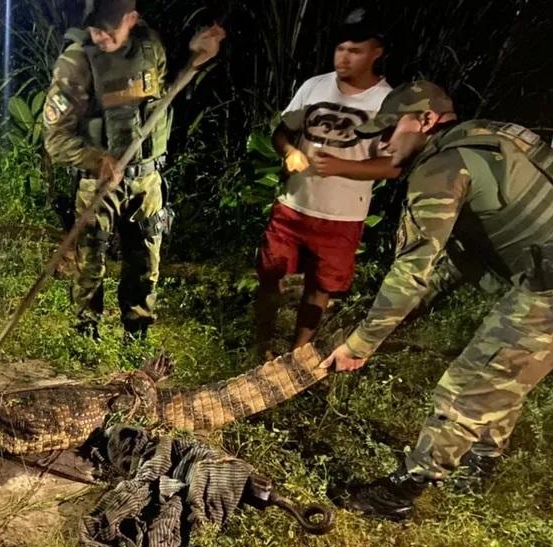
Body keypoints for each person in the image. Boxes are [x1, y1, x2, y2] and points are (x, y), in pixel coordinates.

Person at [321, 80, 553, 521]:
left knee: (469, 382)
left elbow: (411, 270)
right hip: (547, 275)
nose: (380, 142)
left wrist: (360, 344)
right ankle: (482, 461)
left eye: (390, 129)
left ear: (426, 120)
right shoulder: (487, 137)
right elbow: (453, 262)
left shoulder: (442, 168)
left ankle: (403, 492)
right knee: (504, 372)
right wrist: (402, 312)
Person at [43, 0, 224, 340]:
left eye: (108, 32)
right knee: (90, 262)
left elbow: (164, 95)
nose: (99, 38)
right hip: (96, 185)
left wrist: (196, 59)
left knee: (145, 264)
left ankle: (136, 334)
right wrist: (98, 160)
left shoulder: (149, 47)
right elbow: (55, 139)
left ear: (131, 20)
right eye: (94, 29)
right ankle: (85, 336)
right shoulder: (76, 62)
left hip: (146, 179)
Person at [254, 8, 398, 356]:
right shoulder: (314, 86)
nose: (343, 58)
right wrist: (289, 151)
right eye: (340, 49)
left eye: (355, 51)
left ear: (376, 53)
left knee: (321, 287)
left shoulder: (387, 103)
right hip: (293, 205)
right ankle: (260, 346)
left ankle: (297, 354)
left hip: (342, 215)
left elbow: (393, 166)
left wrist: (340, 167)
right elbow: (281, 133)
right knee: (269, 275)